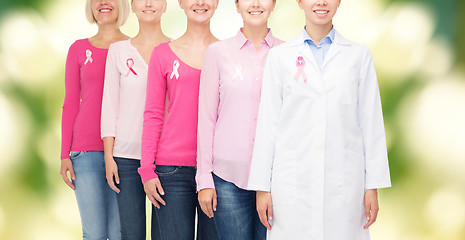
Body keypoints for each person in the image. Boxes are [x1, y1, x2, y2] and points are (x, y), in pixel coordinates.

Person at [247, 0, 392, 239]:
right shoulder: (280, 57)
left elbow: (371, 124)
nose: (321, 2)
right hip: (292, 183)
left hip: (344, 184)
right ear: (300, 2)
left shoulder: (358, 56)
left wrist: (371, 186)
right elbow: (267, 125)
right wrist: (262, 187)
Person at [196, 0, 283, 239]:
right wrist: (204, 179)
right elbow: (206, 119)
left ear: (274, 3)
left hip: (276, 178)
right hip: (227, 178)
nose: (255, 4)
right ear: (236, 5)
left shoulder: (288, 55)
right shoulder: (217, 53)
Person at [138, 0, 220, 239]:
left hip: (217, 171)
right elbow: (153, 114)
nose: (201, 3)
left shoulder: (227, 53)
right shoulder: (163, 54)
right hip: (171, 172)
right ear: (181, 3)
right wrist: (147, 170)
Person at [60, 0, 130, 239]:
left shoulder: (133, 47)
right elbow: (70, 103)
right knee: (94, 233)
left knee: (120, 232)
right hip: (85, 152)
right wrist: (64, 154)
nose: (103, 3)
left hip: (125, 152)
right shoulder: (78, 49)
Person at [101, 0, 170, 239]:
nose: (148, 3)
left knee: (164, 233)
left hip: (166, 159)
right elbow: (110, 106)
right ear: (132, 5)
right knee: (131, 233)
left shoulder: (176, 49)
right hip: (126, 159)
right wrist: (109, 158)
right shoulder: (118, 51)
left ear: (166, 6)